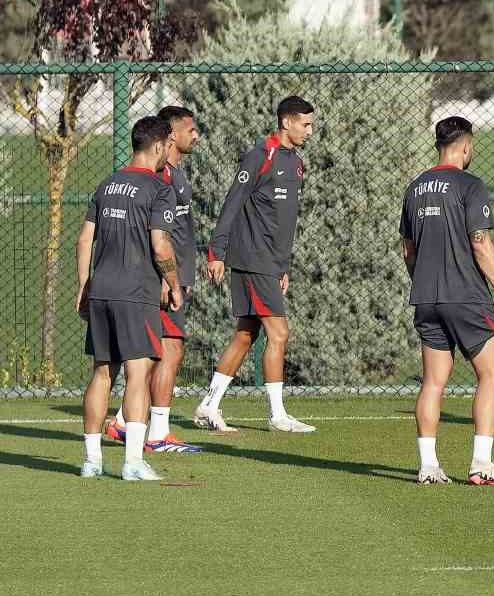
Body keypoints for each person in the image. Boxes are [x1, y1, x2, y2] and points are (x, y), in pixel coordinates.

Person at [400, 116, 494, 486]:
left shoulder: (415, 186)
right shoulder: (470, 184)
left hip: (427, 298)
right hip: (466, 296)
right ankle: (481, 464)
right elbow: (480, 242)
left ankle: (428, 466)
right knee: (491, 375)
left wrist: (423, 281)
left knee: (433, 382)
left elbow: (408, 249)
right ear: (465, 146)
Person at [193, 96, 317, 434]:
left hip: (271, 264)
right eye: (305, 124)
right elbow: (233, 203)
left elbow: (283, 221)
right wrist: (215, 252)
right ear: (286, 122)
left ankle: (208, 405)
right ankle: (277, 416)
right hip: (252, 259)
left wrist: (283, 266)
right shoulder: (260, 156)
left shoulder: (297, 163)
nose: (310, 130)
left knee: (246, 335)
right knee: (279, 333)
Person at [77, 116, 181, 481]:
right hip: (136, 293)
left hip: (101, 289)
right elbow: (160, 244)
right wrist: (174, 282)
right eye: (169, 144)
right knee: (139, 372)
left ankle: (91, 461)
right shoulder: (158, 188)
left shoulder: (108, 184)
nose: (171, 150)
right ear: (157, 146)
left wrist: (84, 285)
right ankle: (133, 462)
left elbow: (84, 239)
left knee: (102, 372)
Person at [106, 105, 203, 453]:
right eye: (191, 130)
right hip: (157, 283)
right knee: (168, 350)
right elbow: (158, 238)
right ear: (170, 136)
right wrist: (168, 280)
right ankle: (158, 433)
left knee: (160, 353)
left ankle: (121, 422)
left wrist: (187, 271)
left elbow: (180, 232)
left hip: (173, 278)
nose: (197, 136)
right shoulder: (158, 178)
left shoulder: (174, 175)